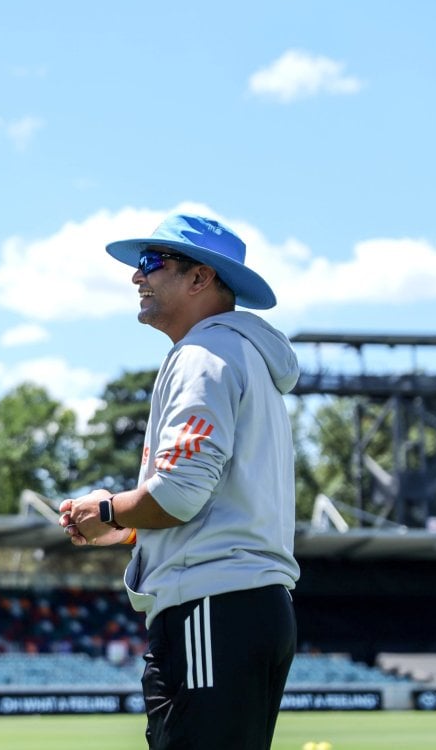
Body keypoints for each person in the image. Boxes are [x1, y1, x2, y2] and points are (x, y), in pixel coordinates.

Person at [59, 213, 300, 749]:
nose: (136, 278)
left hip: (212, 607)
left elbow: (178, 494)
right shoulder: (243, 357)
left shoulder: (202, 355)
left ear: (200, 278)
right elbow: (210, 501)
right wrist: (121, 526)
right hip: (246, 603)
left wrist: (105, 510)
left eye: (151, 263)